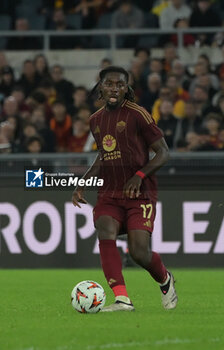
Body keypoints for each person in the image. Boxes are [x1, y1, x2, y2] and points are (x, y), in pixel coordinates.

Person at [72, 66, 178, 312]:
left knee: (140, 253)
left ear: (126, 89)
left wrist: (139, 176)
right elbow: (103, 155)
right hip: (109, 193)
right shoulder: (95, 120)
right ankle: (122, 299)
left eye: (120, 85)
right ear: (101, 86)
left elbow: (163, 153)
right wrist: (83, 182)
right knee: (105, 230)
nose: (114, 89)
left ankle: (165, 279)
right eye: (109, 84)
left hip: (139, 193)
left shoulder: (138, 114)